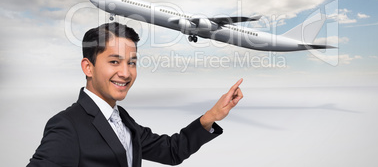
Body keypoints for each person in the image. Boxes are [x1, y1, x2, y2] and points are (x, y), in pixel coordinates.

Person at [27, 22, 243, 167]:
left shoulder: (122, 120)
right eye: (114, 62)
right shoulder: (67, 126)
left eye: (132, 63)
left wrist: (212, 115)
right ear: (88, 67)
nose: (125, 72)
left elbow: (171, 151)